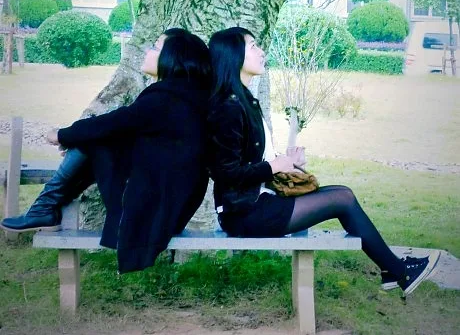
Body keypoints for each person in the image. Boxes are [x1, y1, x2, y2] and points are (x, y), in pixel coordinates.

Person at [207, 27, 440, 296]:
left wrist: (288, 162)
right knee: (342, 199)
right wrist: (274, 167)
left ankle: (393, 270)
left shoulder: (244, 99)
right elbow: (226, 173)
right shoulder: (227, 107)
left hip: (258, 203)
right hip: (244, 214)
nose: (261, 52)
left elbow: (251, 159)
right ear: (233, 56)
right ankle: (399, 272)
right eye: (253, 46)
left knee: (342, 194)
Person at [1, 28, 211, 273]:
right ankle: (44, 208)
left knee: (95, 135)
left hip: (153, 214)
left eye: (155, 47)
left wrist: (62, 135)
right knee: (95, 136)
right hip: (173, 210)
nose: (148, 51)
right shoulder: (190, 96)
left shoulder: (167, 98)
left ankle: (43, 208)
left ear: (173, 57)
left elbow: (115, 122)